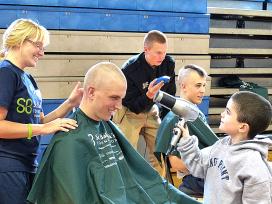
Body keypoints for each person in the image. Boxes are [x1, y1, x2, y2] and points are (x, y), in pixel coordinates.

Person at [27, 62, 201, 204]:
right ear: (91, 92)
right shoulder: (69, 141)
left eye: (121, 98)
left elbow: (147, 180)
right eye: (113, 98)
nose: (119, 106)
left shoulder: (109, 127)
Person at [0, 19, 83, 204]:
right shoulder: (5, 73)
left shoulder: (28, 78)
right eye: (38, 45)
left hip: (27, 164)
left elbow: (41, 122)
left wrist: (69, 104)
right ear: (20, 41)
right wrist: (41, 129)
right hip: (7, 164)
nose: (42, 53)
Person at [177, 91, 272, 204]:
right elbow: (197, 166)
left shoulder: (254, 166)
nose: (222, 114)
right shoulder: (220, 145)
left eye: (228, 112)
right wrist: (186, 140)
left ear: (242, 127)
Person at [112, 30, 176, 173]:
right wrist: (148, 95)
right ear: (146, 50)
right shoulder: (129, 69)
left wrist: (168, 122)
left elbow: (170, 94)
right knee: (127, 156)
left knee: (160, 152)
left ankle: (159, 189)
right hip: (129, 112)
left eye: (164, 52)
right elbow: (133, 106)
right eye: (158, 52)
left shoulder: (168, 63)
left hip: (152, 109)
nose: (162, 56)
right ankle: (128, 191)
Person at [155, 64, 218, 196]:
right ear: (183, 86)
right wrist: (209, 165)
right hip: (197, 180)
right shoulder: (176, 118)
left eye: (204, 85)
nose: (202, 90)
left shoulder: (194, 110)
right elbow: (176, 164)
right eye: (198, 85)